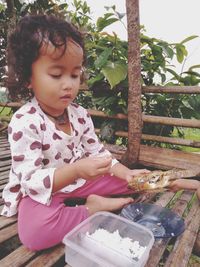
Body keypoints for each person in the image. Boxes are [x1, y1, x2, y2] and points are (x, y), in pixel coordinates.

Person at [1, 14, 149, 251]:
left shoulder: (79, 114)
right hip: (43, 192)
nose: (68, 84)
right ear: (28, 78)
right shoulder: (24, 122)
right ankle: (92, 209)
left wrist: (125, 172)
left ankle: (158, 183)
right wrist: (76, 169)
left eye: (75, 74)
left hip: (80, 181)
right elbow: (31, 181)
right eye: (56, 75)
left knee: (135, 182)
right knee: (35, 233)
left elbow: (98, 152)